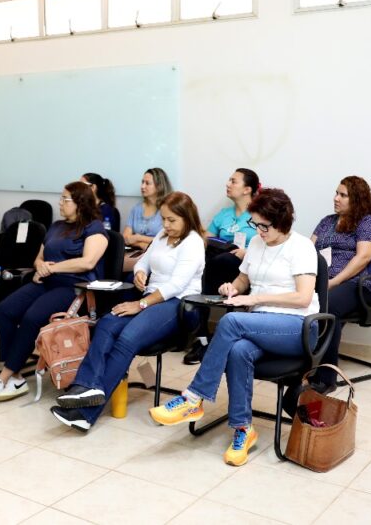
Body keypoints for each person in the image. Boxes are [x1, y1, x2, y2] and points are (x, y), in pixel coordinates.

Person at [150, 188, 320, 467]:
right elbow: (243, 279)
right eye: (255, 224)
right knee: (239, 351)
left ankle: (193, 397)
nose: (259, 231)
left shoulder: (301, 247)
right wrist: (233, 287)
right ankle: (244, 429)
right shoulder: (256, 244)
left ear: (283, 222)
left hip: (297, 327)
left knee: (231, 321)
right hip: (259, 325)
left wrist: (256, 297)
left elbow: (303, 297)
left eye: (264, 226)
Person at [51, 192, 205, 432]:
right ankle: (86, 387)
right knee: (106, 324)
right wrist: (140, 273)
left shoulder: (193, 242)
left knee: (127, 338)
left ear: (187, 218)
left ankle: (85, 413)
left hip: (177, 305)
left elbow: (175, 285)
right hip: (151, 299)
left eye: (172, 220)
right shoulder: (164, 235)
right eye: (163, 219)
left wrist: (140, 304)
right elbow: (144, 260)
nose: (166, 225)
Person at [0, 182, 108, 405]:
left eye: (66, 199)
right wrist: (40, 267)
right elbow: (39, 256)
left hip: (74, 287)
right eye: (62, 198)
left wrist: (53, 268)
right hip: (46, 281)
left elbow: (88, 262)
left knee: (32, 318)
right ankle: (17, 375)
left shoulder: (94, 228)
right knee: (4, 310)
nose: (60, 203)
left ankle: (3, 377)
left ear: (80, 203)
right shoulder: (56, 226)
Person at [309, 176, 371, 390]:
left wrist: (333, 282)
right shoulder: (327, 221)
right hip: (323, 282)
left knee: (328, 306)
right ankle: (295, 364)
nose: (336, 198)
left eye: (343, 195)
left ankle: (326, 378)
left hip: (356, 285)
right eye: (336, 193)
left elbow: (363, 258)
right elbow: (308, 249)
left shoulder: (368, 223)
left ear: (357, 199)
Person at [186, 168, 262, 364]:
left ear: (247, 189)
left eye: (233, 181)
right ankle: (201, 336)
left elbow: (268, 243)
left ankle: (205, 338)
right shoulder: (224, 214)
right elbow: (207, 237)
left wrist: (248, 252)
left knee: (219, 262)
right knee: (204, 262)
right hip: (216, 262)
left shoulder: (258, 214)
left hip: (243, 264)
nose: (228, 184)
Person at [122, 168, 173, 272]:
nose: (142, 186)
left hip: (159, 254)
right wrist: (141, 244)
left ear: (159, 186)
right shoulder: (136, 208)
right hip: (137, 253)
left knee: (132, 277)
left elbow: (168, 239)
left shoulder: (167, 210)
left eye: (147, 183)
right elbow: (126, 237)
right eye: (142, 182)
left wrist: (138, 237)